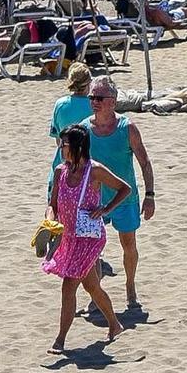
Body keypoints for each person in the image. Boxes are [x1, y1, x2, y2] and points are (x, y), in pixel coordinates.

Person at [41, 125, 126, 350]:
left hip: (89, 239)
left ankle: (60, 340)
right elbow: (53, 205)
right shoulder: (61, 171)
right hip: (69, 237)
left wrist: (105, 208)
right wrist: (49, 221)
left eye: (64, 145)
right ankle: (115, 324)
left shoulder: (94, 171)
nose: (61, 149)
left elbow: (124, 188)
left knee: (68, 286)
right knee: (92, 287)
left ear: (78, 147)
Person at [84, 74, 155, 312]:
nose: (94, 102)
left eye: (100, 98)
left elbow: (144, 162)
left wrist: (150, 195)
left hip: (125, 198)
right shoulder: (85, 129)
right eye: (92, 97)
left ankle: (130, 285)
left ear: (112, 101)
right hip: (94, 199)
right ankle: (96, 294)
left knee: (129, 244)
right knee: (94, 249)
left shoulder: (127, 128)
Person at [48, 59, 94, 182]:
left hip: (63, 160)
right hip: (87, 161)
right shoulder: (94, 105)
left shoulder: (60, 104)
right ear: (89, 82)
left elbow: (58, 139)